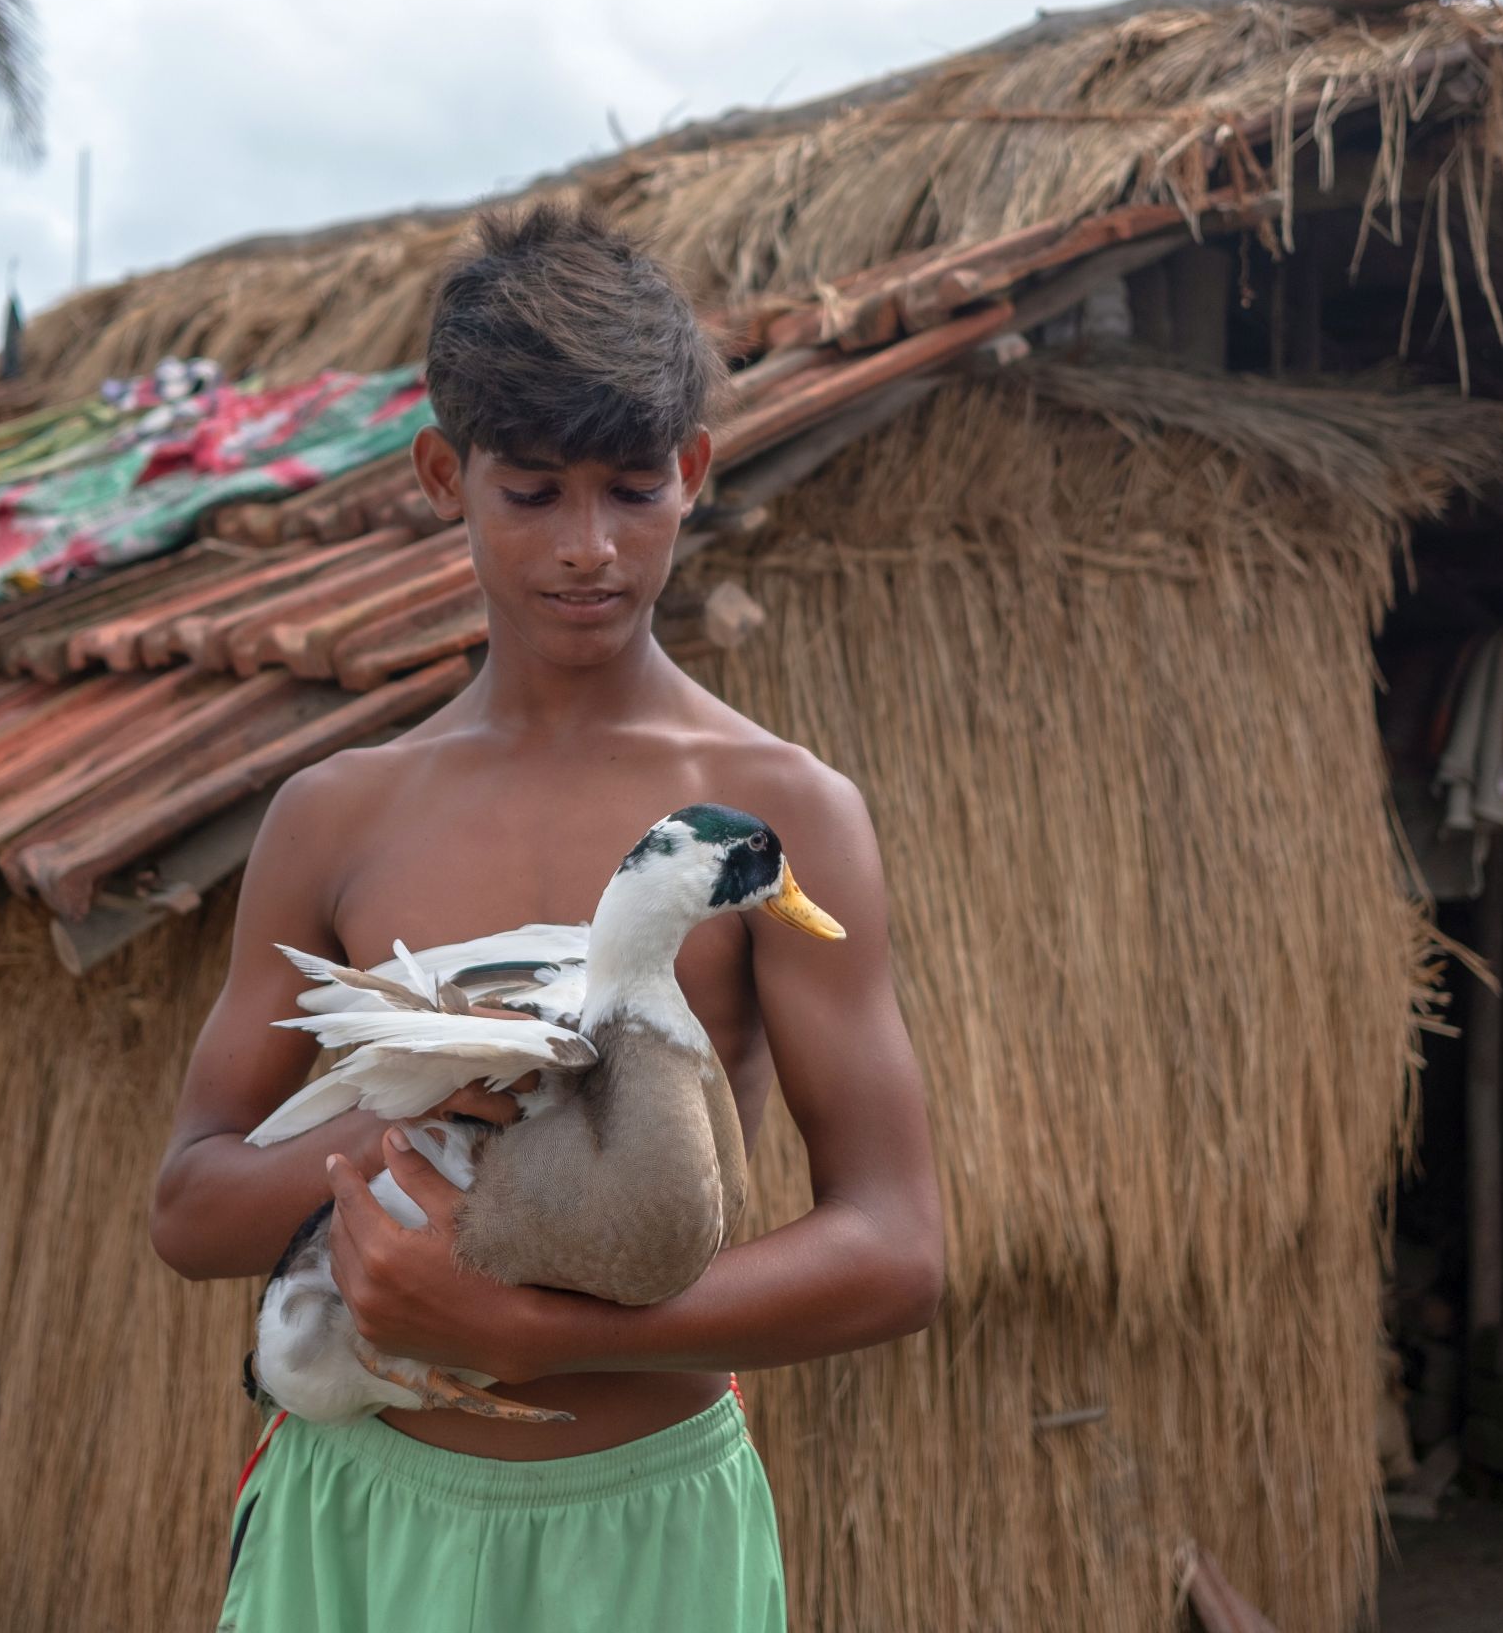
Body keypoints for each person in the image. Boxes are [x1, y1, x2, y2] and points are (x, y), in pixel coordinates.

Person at [152, 205, 943, 1632]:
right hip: (362, 1521)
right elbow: (192, 1207)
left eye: (632, 490)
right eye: (533, 494)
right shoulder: (338, 814)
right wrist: (430, 1110)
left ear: (694, 473)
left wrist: (540, 1330)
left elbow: (897, 1247)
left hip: (643, 1534)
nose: (589, 546)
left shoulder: (777, 819)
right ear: (445, 475)